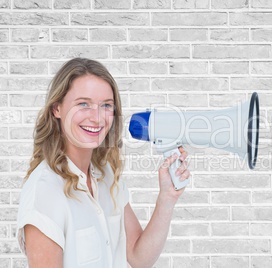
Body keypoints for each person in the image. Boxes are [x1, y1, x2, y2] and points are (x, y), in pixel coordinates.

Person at [17, 58, 190, 267]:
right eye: (83, 104)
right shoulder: (44, 191)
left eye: (106, 105)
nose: (97, 118)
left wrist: (167, 198)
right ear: (57, 109)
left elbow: (138, 257)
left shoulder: (106, 175)